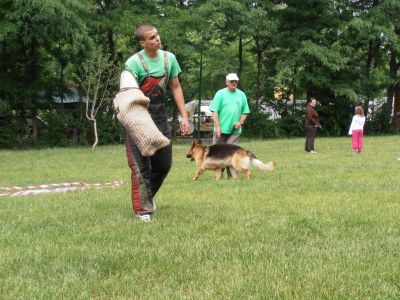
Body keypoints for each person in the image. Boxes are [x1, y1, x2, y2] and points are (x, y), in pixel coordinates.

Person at [123, 24, 189, 222]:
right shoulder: (134, 63)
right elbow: (127, 93)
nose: (157, 39)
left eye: (157, 35)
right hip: (137, 121)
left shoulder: (169, 59)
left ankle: (147, 197)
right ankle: (143, 210)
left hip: (160, 119)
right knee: (140, 167)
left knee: (163, 165)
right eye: (152, 38)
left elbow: (176, 87)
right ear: (142, 43)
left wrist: (184, 116)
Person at [209, 73, 250, 145]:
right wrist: (218, 127)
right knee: (217, 153)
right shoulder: (220, 93)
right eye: (232, 81)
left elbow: (245, 112)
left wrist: (240, 122)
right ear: (227, 82)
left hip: (235, 131)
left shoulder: (242, 95)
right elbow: (214, 112)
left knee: (229, 152)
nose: (234, 83)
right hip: (221, 130)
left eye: (236, 81)